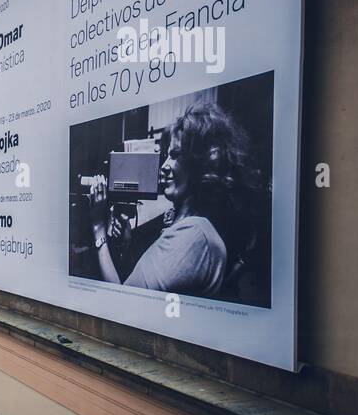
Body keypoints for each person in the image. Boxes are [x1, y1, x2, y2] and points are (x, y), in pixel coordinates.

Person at [88, 101, 258, 298]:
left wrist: (97, 227)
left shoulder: (194, 235)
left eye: (175, 155)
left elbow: (122, 300)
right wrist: (126, 241)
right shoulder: (190, 229)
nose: (163, 167)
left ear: (200, 163)